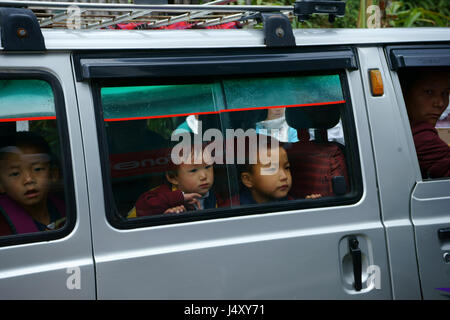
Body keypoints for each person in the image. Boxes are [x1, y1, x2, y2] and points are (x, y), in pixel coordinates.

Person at [130, 135, 229, 216]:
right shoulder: (158, 196)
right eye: (193, 170)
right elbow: (142, 207)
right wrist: (179, 198)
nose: (203, 176)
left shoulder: (216, 194)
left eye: (208, 167)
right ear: (173, 177)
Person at [0, 131, 65, 236]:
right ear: (1, 184)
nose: (29, 179)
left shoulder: (68, 209)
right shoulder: (3, 226)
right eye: (15, 173)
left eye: (37, 169)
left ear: (53, 174)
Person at [237, 134, 321, 204]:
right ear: (248, 180)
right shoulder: (237, 208)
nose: (284, 176)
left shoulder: (289, 201)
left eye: (287, 167)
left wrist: (306, 207)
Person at [400, 67, 450, 178]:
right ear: (403, 93)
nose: (440, 103)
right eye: (429, 92)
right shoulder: (420, 137)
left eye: (445, 93)